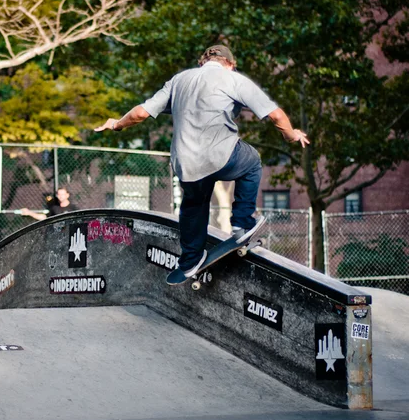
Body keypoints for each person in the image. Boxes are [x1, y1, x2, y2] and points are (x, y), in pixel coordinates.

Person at [95, 44, 309, 284]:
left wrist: (117, 124)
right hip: (222, 155)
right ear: (230, 64)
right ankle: (241, 223)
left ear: (202, 62)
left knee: (193, 205)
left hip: (186, 163)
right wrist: (291, 135)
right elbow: (276, 115)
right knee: (252, 163)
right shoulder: (234, 79)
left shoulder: (179, 80)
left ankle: (189, 261)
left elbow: (141, 114)